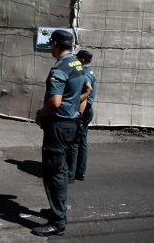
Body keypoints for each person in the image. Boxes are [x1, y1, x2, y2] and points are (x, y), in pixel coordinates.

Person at [32, 30, 90, 237]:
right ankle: (58, 210)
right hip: (71, 123)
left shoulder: (60, 67)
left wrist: (40, 114)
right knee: (62, 169)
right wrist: (74, 105)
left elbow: (55, 102)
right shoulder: (76, 63)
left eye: (51, 43)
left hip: (58, 125)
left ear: (54, 43)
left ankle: (57, 222)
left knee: (53, 172)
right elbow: (87, 89)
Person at [67, 50, 96, 182]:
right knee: (81, 140)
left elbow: (86, 91)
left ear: (83, 60)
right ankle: (79, 172)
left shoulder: (84, 73)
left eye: (77, 57)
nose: (75, 59)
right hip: (86, 110)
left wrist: (78, 111)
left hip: (83, 109)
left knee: (75, 141)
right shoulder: (89, 72)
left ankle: (71, 173)